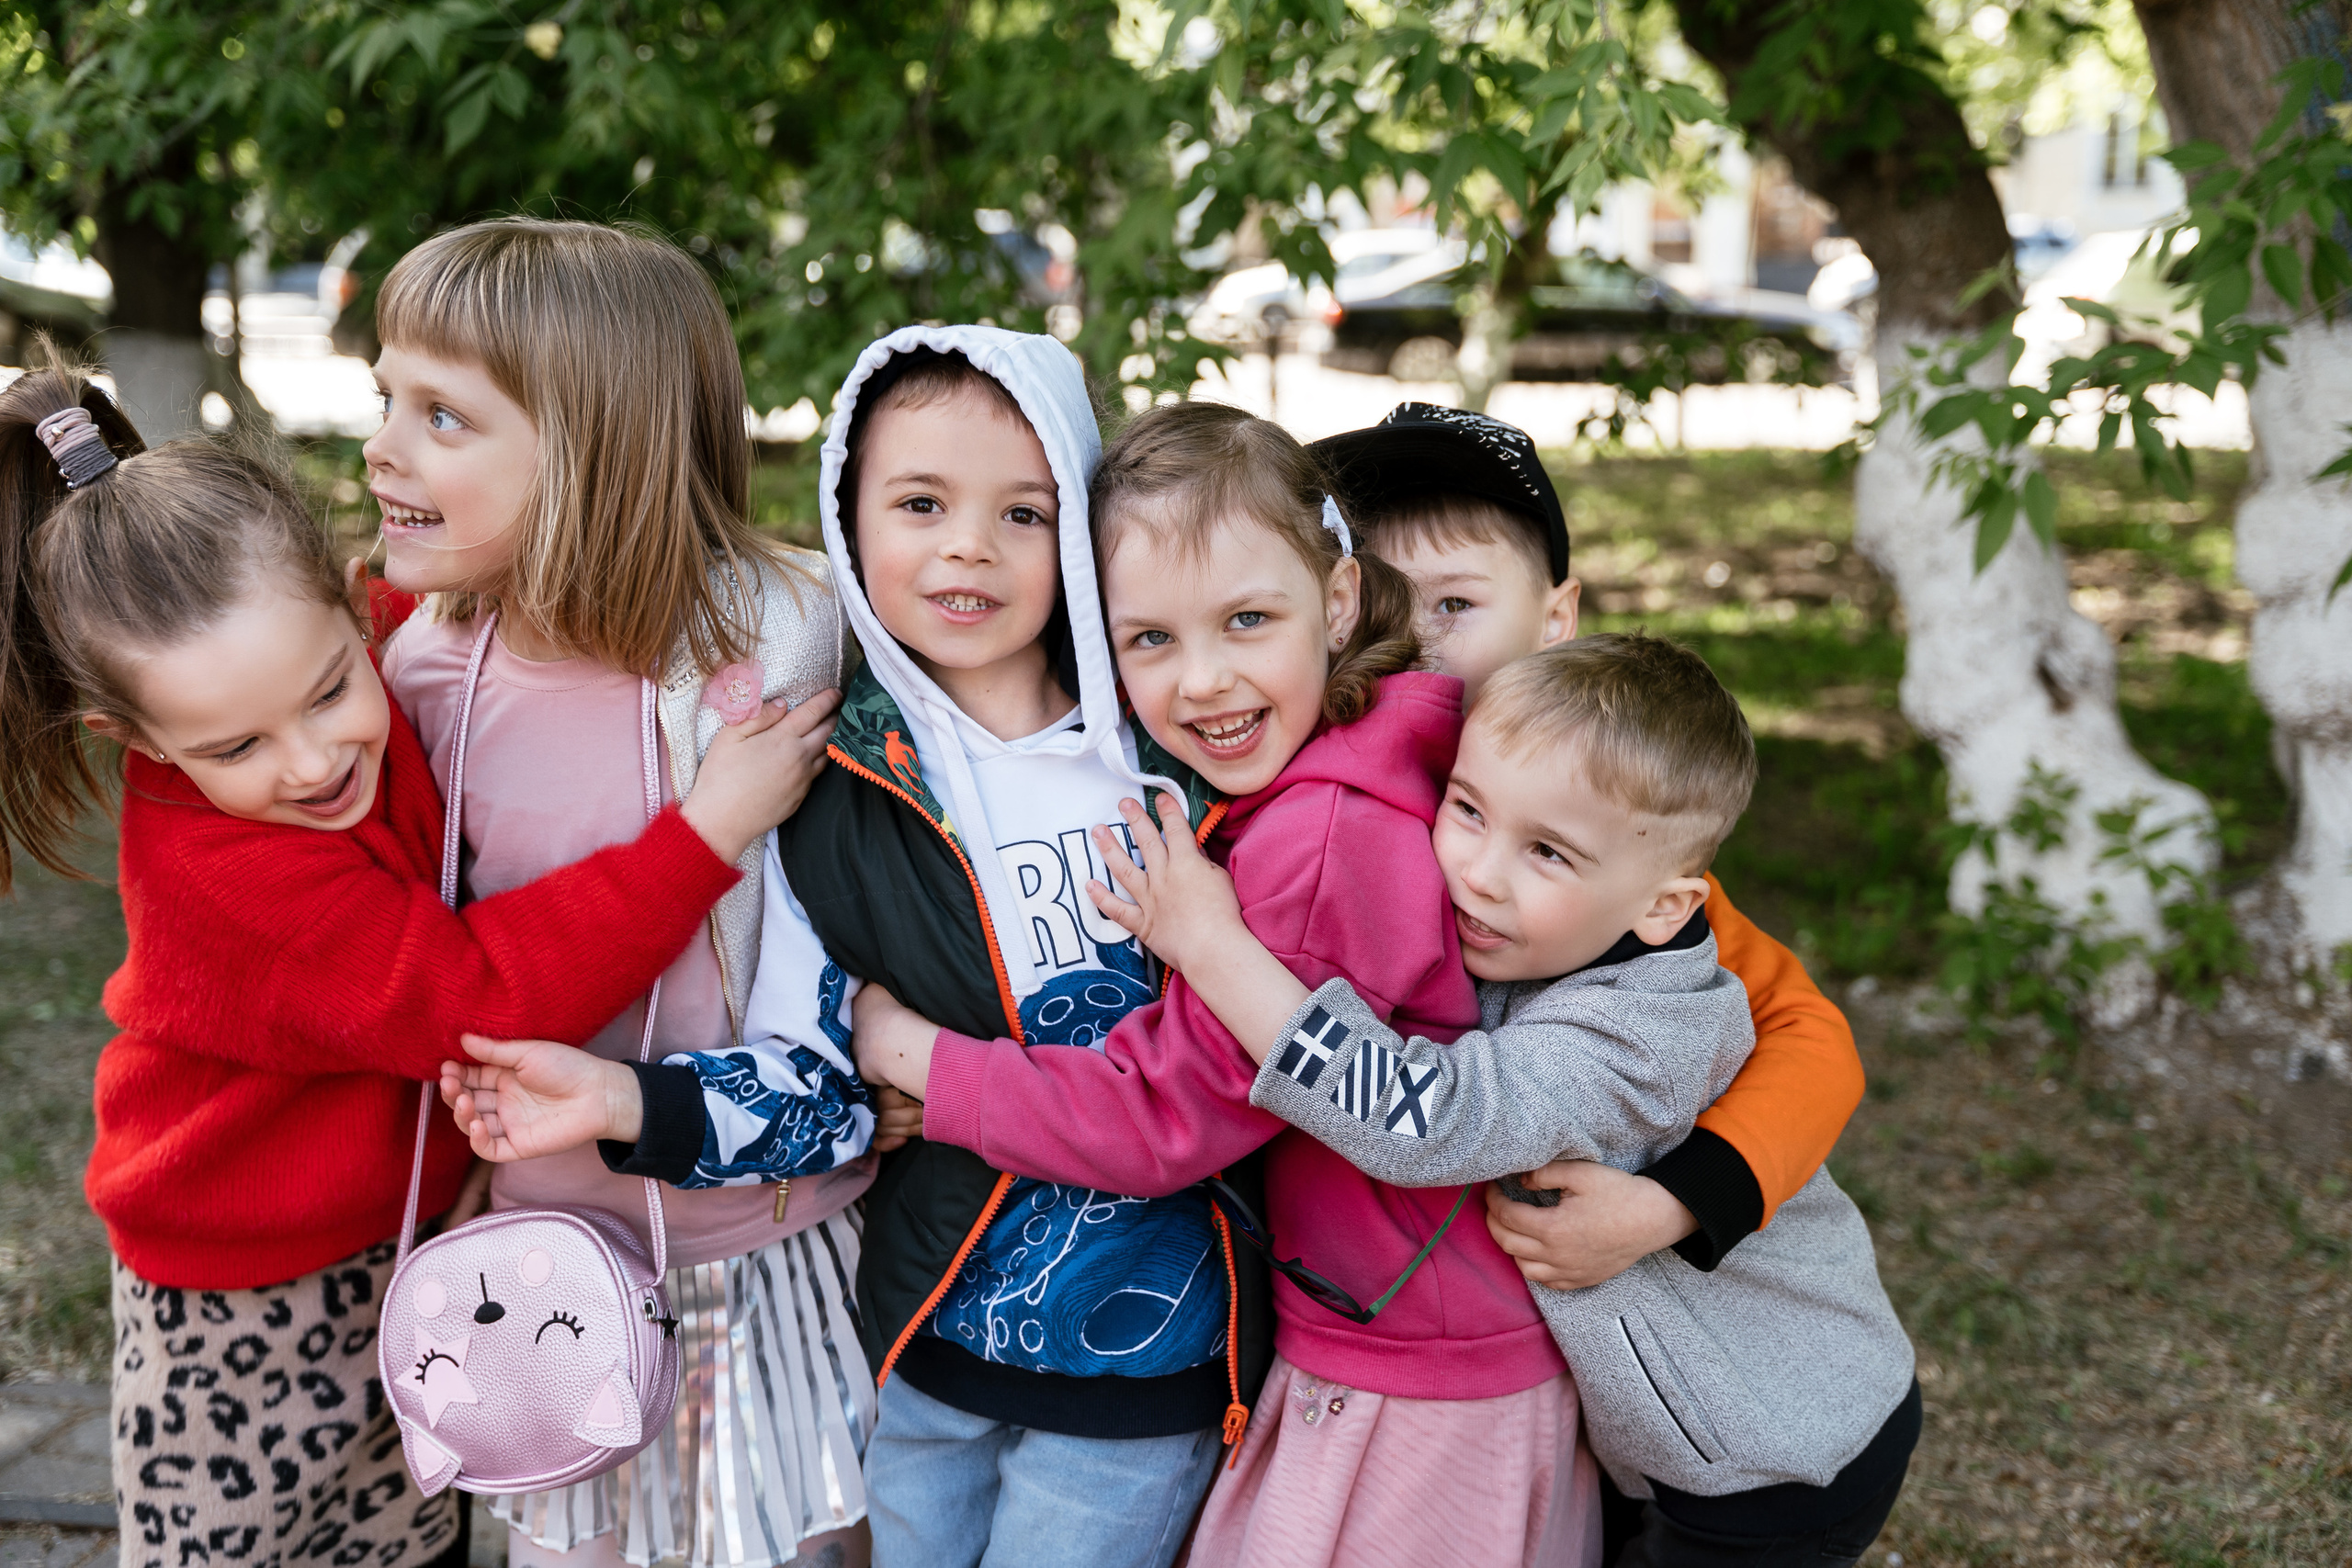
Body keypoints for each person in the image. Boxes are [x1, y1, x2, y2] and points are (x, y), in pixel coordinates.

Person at [0, 357, 831, 1568]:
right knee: (240, 1548)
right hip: (240, 1290)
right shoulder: (232, 870)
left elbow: (484, 606)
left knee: (402, 1529)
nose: (310, 759)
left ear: (354, 605)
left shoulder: (378, 648)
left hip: (392, 1232)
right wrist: (707, 829)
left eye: (330, 687)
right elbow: (474, 994)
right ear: (133, 739)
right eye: (235, 743)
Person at [436, 324, 1245, 1568]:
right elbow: (820, 1087)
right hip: (931, 1346)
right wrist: (619, 1096)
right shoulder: (834, 793)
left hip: (1152, 1356)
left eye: (1025, 513)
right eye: (921, 501)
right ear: (848, 515)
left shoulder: (1173, 766)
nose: (968, 543)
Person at [1084, 634, 1921, 1568]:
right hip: (1662, 1418)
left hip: (1782, 1456)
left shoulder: (1639, 1039)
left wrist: (1211, 944)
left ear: (1662, 905)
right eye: (1467, 810)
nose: (1479, 871)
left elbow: (1421, 1119)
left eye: (1547, 853)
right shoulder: (1533, 934)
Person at [365, 220, 882, 1568]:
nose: (381, 447)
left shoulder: (783, 632)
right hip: (535, 1258)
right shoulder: (422, 673)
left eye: (440, 415)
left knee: (780, 1545)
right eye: (385, 399)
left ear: (591, 444)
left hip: (756, 1241)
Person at [1313, 404, 1862, 1344]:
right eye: (1379, 603)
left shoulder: (1610, 852)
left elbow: (1811, 1041)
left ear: (1554, 619)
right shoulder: (1310, 788)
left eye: (1453, 605)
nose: (1412, 642)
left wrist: (1672, 1205)